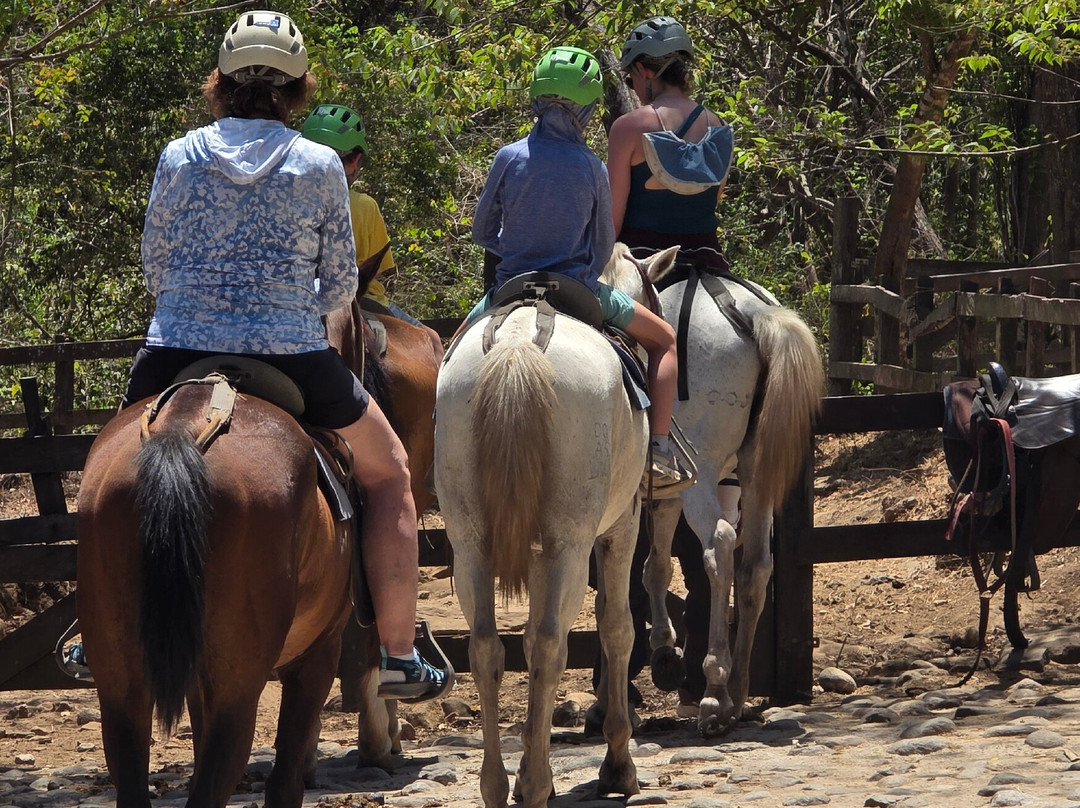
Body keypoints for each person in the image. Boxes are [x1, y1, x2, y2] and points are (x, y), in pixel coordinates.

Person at [115, 10, 447, 700]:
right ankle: (396, 653)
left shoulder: (179, 155)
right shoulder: (320, 163)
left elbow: (154, 263)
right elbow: (340, 284)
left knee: (112, 471)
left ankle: (101, 629)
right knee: (391, 476)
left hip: (175, 346)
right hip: (291, 352)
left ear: (221, 83)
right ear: (296, 90)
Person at [467, 45, 693, 492]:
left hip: (510, 285)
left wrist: (513, 248)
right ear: (587, 108)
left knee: (451, 351)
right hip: (578, 287)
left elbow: (480, 230)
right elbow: (603, 245)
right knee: (665, 341)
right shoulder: (591, 166)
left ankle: (442, 446)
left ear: (536, 98)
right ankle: (660, 448)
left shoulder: (508, 157)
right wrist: (580, 269)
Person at [605, 15, 741, 715]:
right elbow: (709, 212)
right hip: (713, 268)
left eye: (634, 73)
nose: (632, 83)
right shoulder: (718, 127)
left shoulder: (632, 129)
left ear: (648, 71)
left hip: (644, 270)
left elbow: (615, 221)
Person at [300, 103, 445, 361]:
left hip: (300, 297)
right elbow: (376, 269)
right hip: (364, 299)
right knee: (432, 339)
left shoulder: (289, 201)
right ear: (354, 160)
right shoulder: (365, 205)